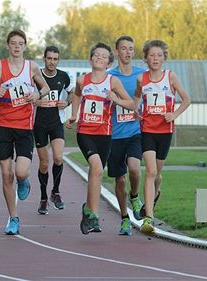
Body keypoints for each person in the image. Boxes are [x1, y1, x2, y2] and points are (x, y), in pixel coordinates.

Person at [0, 29, 49, 235]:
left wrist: (36, 93)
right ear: (8, 45)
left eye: (20, 43)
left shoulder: (31, 67)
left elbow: (45, 88)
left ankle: (24, 181)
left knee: (20, 172)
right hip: (3, 127)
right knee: (6, 174)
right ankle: (13, 218)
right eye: (13, 43)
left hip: (25, 127)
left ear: (25, 46)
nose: (17, 47)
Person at [66, 42, 135, 235]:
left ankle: (87, 209)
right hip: (85, 132)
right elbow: (77, 96)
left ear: (108, 63)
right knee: (96, 168)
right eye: (96, 55)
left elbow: (131, 104)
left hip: (105, 135)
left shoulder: (113, 82)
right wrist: (74, 114)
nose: (99, 58)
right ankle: (94, 217)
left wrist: (116, 99)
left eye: (104, 56)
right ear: (90, 59)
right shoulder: (82, 81)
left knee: (96, 173)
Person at [134, 39, 190, 235]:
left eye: (159, 55)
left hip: (165, 132)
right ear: (145, 58)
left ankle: (155, 194)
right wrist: (135, 110)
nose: (155, 58)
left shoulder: (170, 77)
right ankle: (148, 218)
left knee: (156, 174)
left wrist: (174, 114)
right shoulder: (141, 79)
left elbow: (186, 99)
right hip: (148, 130)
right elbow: (136, 98)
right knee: (149, 172)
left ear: (164, 58)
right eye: (151, 55)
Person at [106, 36, 146, 235]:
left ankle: (135, 195)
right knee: (120, 179)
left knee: (135, 170)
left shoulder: (142, 74)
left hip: (135, 131)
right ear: (116, 51)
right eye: (124, 48)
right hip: (114, 135)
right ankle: (124, 218)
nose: (128, 52)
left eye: (131, 48)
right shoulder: (109, 77)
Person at [34, 46, 72, 215]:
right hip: (39, 124)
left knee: (58, 157)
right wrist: (35, 102)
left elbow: (72, 94)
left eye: (55, 59)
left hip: (56, 122)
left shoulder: (63, 76)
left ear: (58, 60)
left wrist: (67, 102)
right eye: (49, 58)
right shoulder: (36, 76)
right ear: (44, 59)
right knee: (44, 163)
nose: (52, 62)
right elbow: (27, 96)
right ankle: (43, 198)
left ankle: (55, 192)